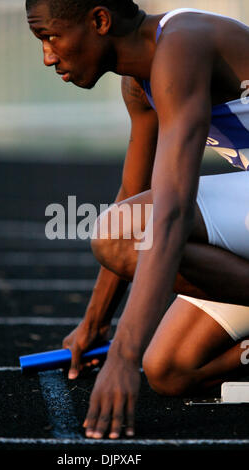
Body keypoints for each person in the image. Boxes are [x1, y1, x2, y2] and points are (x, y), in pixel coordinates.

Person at [26, 0, 249, 440]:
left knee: (116, 231)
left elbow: (170, 211)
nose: (48, 56)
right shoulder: (138, 83)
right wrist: (95, 326)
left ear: (100, 20)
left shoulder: (181, 45)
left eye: (51, 37)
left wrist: (122, 358)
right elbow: (133, 194)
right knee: (171, 368)